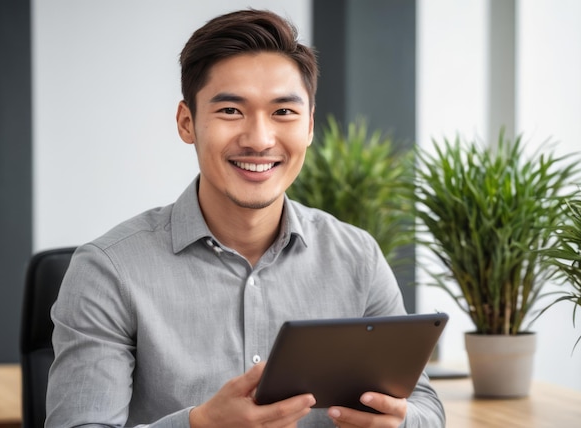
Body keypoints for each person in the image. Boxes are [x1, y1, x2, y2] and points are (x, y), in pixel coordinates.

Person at [45, 8, 445, 428]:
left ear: (309, 125)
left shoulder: (356, 256)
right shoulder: (108, 270)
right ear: (187, 123)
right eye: (231, 111)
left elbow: (424, 406)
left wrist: (401, 423)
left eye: (283, 112)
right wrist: (199, 425)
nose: (258, 139)